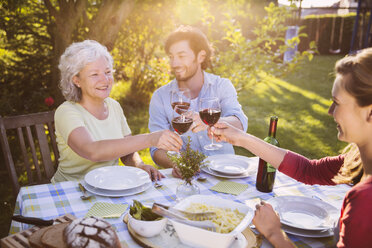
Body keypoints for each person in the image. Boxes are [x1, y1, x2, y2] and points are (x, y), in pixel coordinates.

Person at [211, 48, 372, 247]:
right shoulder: (357, 160)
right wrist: (242, 138)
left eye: (337, 103)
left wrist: (273, 232)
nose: (330, 112)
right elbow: (309, 170)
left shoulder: (365, 202)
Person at [51, 40, 182, 183]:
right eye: (94, 74)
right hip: (72, 190)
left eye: (107, 72)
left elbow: (127, 151)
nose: (105, 80)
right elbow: (92, 151)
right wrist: (151, 138)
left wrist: (139, 165)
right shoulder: (66, 111)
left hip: (109, 185)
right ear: (76, 80)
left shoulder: (114, 106)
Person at [148, 26, 248, 177]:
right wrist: (177, 162)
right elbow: (156, 149)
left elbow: (240, 123)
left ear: (201, 56)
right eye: (171, 56)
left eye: (181, 56)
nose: (174, 63)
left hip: (226, 173)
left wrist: (213, 122)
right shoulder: (160, 97)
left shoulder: (221, 86)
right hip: (187, 178)